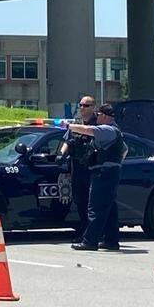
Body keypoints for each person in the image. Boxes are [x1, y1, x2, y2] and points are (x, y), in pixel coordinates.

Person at [68, 103, 127, 252]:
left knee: (95, 207)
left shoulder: (108, 129)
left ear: (105, 116)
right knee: (109, 208)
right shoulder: (115, 131)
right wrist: (116, 164)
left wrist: (69, 126)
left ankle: (90, 241)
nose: (96, 116)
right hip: (109, 172)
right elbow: (124, 150)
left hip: (103, 172)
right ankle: (111, 241)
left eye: (99, 114)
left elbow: (88, 130)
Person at [58, 95, 97, 242]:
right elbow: (68, 141)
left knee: (92, 202)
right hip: (78, 168)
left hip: (93, 168)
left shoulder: (98, 124)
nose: (82, 108)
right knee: (80, 200)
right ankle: (85, 232)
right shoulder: (76, 124)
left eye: (86, 105)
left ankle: (94, 234)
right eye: (80, 105)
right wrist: (61, 154)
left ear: (93, 107)